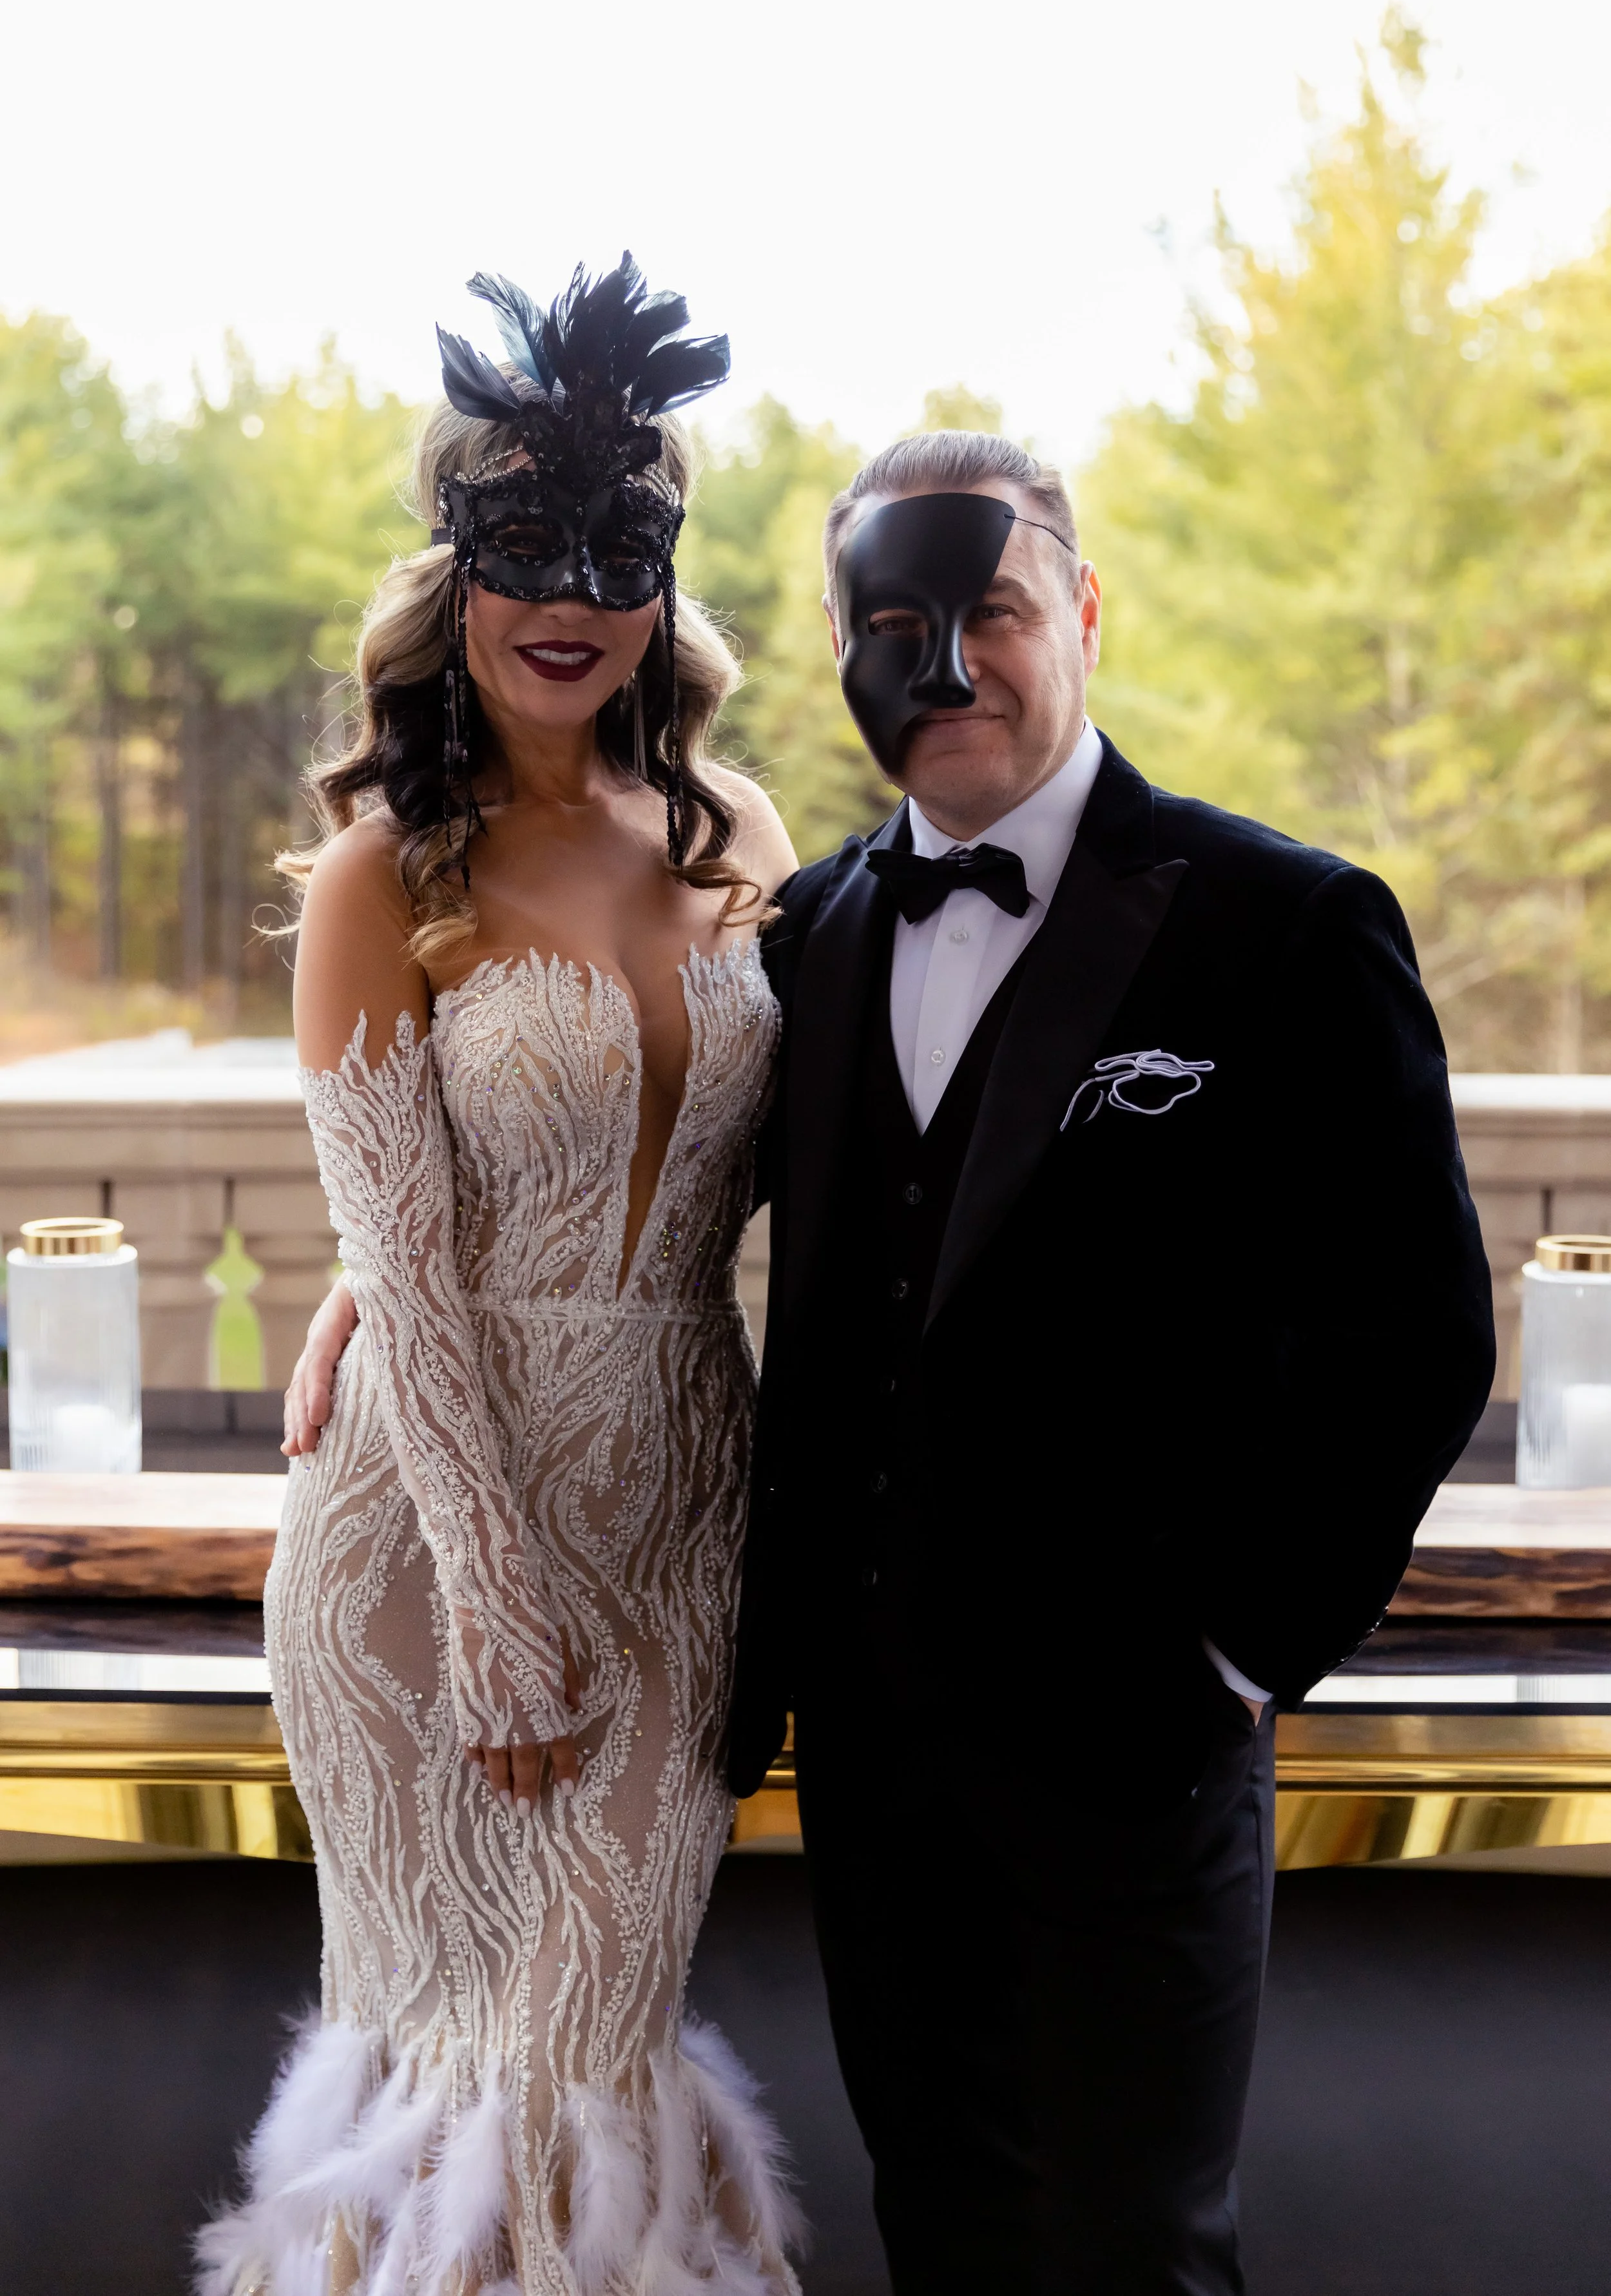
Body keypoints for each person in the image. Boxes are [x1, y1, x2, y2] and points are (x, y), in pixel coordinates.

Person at [290, 424, 1496, 2295]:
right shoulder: (825, 916)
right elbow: (567, 1145)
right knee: (915, 2223)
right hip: (847, 1721)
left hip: (1126, 1743)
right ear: (841, 645)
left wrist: (1235, 1650)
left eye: (992, 611)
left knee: (1124, 2249)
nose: (946, 666)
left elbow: (1413, 1323)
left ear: (1079, 613)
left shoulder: (1278, 924)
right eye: (893, 622)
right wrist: (372, 1277)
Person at [209, 259, 800, 2296]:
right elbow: (402, 1242)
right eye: (523, 541)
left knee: (590, 2053)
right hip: (427, 1552)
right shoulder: (392, 868)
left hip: (679, 1517)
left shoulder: (738, 839)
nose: (572, 590)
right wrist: (489, 1595)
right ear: (453, 575)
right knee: (458, 2070)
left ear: (665, 583)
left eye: (617, 544)